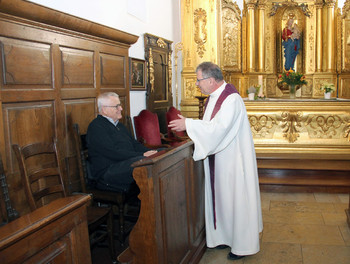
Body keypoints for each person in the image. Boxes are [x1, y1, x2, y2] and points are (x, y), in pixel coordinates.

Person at [168, 62, 263, 261]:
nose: (196, 84)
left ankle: (242, 246)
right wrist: (191, 124)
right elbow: (211, 126)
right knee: (222, 199)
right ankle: (223, 236)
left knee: (235, 200)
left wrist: (189, 124)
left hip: (232, 162)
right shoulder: (215, 97)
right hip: (220, 160)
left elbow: (219, 129)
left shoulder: (231, 99)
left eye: (199, 80)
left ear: (211, 80)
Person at [87, 92, 157, 192]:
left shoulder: (120, 126)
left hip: (125, 163)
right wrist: (143, 154)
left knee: (161, 153)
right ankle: (148, 203)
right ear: (104, 110)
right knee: (144, 162)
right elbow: (113, 152)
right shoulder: (96, 127)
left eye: (119, 105)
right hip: (108, 172)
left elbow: (135, 144)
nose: (121, 109)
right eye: (117, 106)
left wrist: (153, 152)